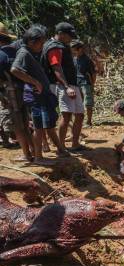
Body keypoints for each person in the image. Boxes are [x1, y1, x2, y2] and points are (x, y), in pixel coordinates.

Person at [11, 25, 68, 165]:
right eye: (41, 42)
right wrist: (35, 82)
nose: (43, 46)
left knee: (44, 126)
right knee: (39, 127)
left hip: (42, 97)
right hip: (37, 97)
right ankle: (38, 157)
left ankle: (56, 150)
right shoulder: (24, 53)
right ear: (31, 41)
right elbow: (15, 69)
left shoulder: (30, 53)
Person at [41, 22, 86, 151]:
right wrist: (67, 87)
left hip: (71, 84)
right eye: (69, 36)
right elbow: (56, 67)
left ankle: (75, 143)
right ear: (60, 34)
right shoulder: (54, 47)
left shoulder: (60, 46)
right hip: (63, 85)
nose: (71, 39)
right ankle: (61, 146)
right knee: (66, 115)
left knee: (79, 114)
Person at [70, 40, 96, 127]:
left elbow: (93, 74)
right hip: (76, 83)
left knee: (87, 103)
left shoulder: (87, 60)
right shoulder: (74, 59)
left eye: (75, 49)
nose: (73, 51)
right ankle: (79, 121)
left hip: (86, 83)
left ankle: (89, 122)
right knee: (77, 103)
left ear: (80, 49)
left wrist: (92, 84)